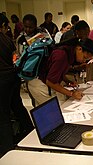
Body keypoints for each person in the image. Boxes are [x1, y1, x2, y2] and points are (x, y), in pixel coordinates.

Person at [0, 13, 33, 156]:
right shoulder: (7, 40)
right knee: (18, 106)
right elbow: (12, 58)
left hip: (1, 80)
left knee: (3, 117)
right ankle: (30, 134)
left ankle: (7, 152)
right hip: (12, 78)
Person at [28, 38, 93, 105]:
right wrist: (72, 94)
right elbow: (50, 81)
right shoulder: (61, 55)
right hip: (39, 84)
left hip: (44, 82)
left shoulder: (69, 53)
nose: (84, 61)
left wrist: (67, 81)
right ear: (79, 49)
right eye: (84, 57)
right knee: (54, 111)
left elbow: (56, 71)